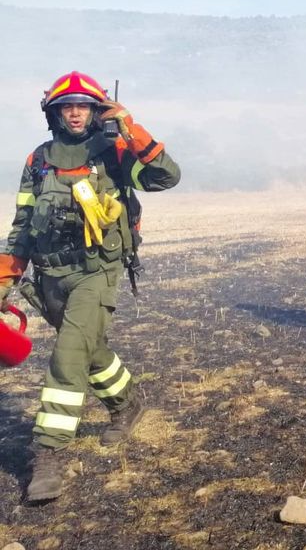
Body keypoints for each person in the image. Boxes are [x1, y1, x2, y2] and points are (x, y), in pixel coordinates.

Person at [0, 71, 181, 502]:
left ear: (97, 110)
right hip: (49, 277)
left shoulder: (113, 150)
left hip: (97, 272)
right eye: (67, 106)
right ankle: (127, 404)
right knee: (88, 348)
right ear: (54, 113)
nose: (76, 112)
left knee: (67, 357)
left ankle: (48, 455)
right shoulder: (38, 160)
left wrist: (131, 129)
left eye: (84, 105)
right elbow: (23, 225)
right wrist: (6, 277)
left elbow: (165, 177)